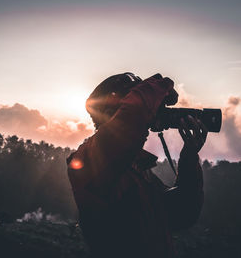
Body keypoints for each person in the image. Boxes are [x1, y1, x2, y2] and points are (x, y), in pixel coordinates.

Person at [67, 72, 208, 258]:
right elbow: (131, 120)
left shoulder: (139, 171)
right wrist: (160, 85)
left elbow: (182, 215)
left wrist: (189, 157)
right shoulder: (87, 161)